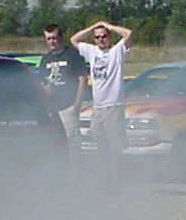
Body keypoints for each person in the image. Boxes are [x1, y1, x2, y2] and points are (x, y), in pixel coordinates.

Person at [70, 20, 132, 189]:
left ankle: (116, 182)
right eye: (97, 37)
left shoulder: (117, 51)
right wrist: (93, 27)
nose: (101, 40)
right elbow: (74, 40)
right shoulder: (92, 51)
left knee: (114, 147)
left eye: (104, 36)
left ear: (109, 37)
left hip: (113, 105)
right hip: (97, 107)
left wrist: (108, 25)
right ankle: (105, 179)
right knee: (99, 145)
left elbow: (128, 34)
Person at [39, 24, 88, 173]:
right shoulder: (45, 59)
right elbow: (42, 83)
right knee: (56, 143)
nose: (52, 41)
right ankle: (60, 173)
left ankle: (75, 175)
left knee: (73, 143)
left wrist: (77, 105)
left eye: (54, 38)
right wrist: (46, 94)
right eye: (48, 39)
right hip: (53, 109)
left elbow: (83, 79)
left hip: (68, 107)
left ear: (61, 37)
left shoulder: (72, 55)